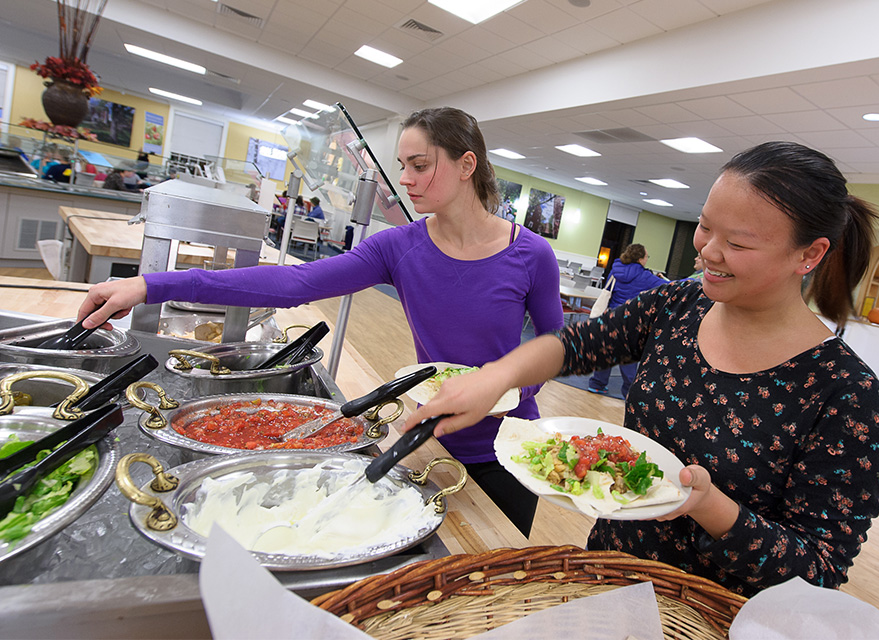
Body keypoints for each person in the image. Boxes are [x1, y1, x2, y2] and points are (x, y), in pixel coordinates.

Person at [404, 141, 879, 596]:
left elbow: (820, 568)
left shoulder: (846, 394)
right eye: (705, 226)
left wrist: (709, 506)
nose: (708, 252)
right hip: (608, 575)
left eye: (738, 244)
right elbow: (575, 345)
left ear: (809, 254)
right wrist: (493, 378)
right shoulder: (681, 304)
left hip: (709, 612)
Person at [75, 106, 564, 536]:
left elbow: (554, 348)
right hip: (429, 439)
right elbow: (295, 284)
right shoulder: (399, 247)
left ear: (466, 165)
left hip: (512, 451)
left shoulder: (531, 255)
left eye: (420, 165)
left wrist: (511, 393)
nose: (407, 180)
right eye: (403, 167)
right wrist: (152, 285)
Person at [587, 243, 667, 398]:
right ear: (640, 258)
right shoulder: (645, 276)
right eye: (646, 257)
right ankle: (628, 391)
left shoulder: (616, 270)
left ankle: (597, 384)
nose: (646, 259)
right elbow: (668, 287)